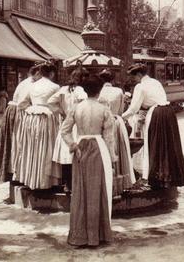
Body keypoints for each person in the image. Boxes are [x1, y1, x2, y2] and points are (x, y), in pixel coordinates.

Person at [61, 75, 117, 247]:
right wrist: (112, 158)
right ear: (100, 91)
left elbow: (64, 131)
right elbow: (109, 138)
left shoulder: (76, 108)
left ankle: (80, 234)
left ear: (84, 90)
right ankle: (98, 235)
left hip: (80, 148)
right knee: (98, 189)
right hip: (99, 147)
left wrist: (73, 145)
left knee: (80, 190)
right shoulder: (104, 110)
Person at [122, 63, 184, 189]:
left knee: (153, 145)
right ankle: (167, 177)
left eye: (133, 77)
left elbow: (133, 109)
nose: (133, 80)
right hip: (168, 113)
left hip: (157, 114)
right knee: (166, 146)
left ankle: (153, 177)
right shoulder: (155, 82)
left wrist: (120, 117)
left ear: (140, 74)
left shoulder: (140, 87)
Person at [12, 62, 61, 189]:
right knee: (46, 147)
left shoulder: (32, 86)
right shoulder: (55, 87)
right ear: (51, 74)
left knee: (32, 147)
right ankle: (45, 181)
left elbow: (21, 104)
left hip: (32, 119)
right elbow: (59, 106)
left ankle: (31, 178)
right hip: (47, 119)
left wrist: (33, 108)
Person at [48, 67, 89, 191]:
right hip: (78, 124)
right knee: (79, 154)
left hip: (66, 123)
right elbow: (85, 104)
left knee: (66, 155)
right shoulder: (81, 90)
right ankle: (78, 183)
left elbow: (50, 101)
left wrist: (62, 112)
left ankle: (68, 184)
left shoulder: (63, 89)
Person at [0, 67, 35, 184]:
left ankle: (13, 172)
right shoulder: (30, 84)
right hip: (17, 112)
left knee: (14, 144)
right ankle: (16, 173)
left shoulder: (24, 82)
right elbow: (23, 103)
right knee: (18, 144)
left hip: (12, 111)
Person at [98, 68, 136, 195]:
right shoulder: (118, 91)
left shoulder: (98, 91)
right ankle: (119, 180)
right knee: (118, 149)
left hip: (101, 123)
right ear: (113, 79)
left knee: (104, 150)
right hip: (115, 121)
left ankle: (103, 180)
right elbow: (120, 110)